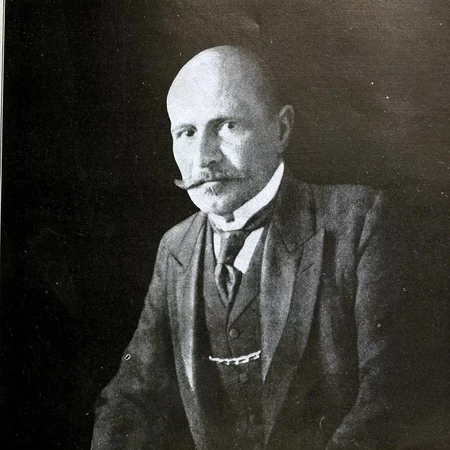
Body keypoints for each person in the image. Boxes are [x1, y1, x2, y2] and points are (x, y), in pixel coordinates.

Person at [91, 46, 418, 449]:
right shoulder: (175, 247)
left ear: (281, 129)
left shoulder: (358, 220)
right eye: (186, 133)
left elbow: (388, 399)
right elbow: (131, 398)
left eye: (226, 125)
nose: (203, 158)